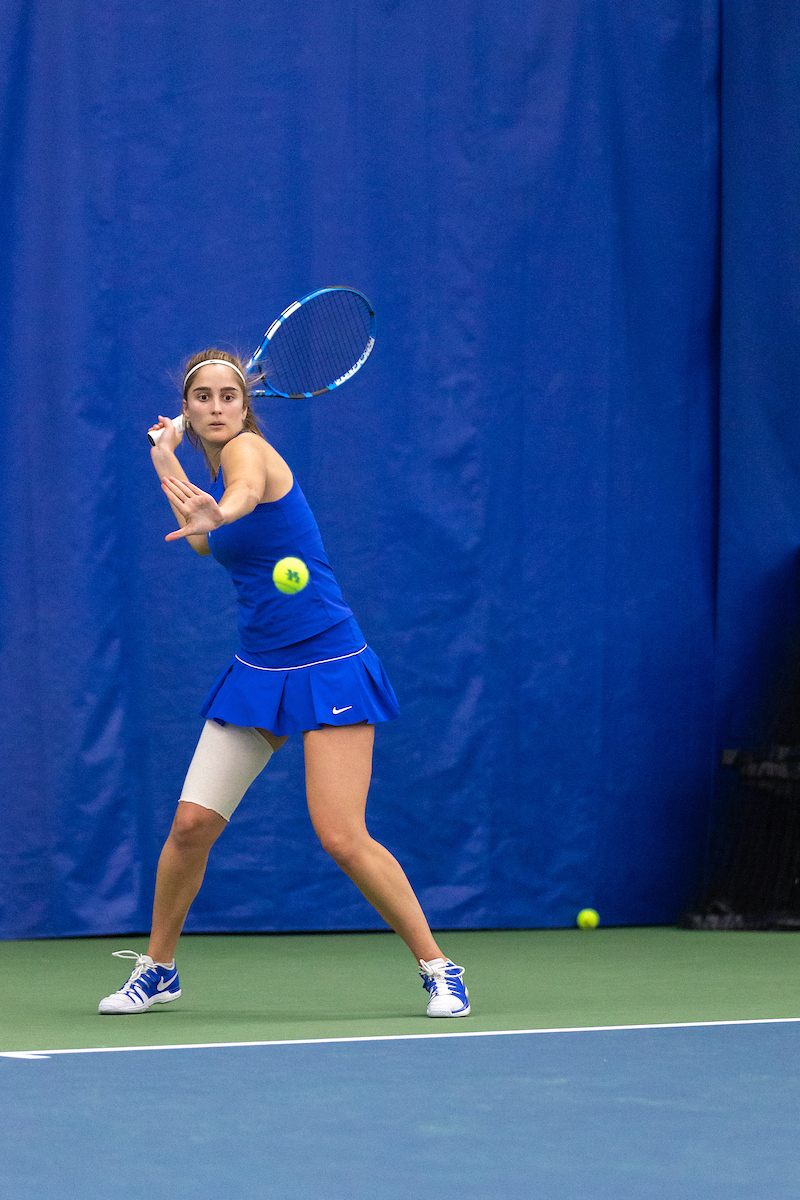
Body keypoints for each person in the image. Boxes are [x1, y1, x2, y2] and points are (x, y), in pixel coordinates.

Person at [98, 350, 469, 1019]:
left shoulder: (249, 454)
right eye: (203, 397)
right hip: (260, 668)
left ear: (246, 406)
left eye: (228, 396)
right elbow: (204, 536)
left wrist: (220, 509)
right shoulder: (211, 472)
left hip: (329, 661)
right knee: (191, 825)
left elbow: (237, 498)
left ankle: (440, 968)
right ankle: (159, 969)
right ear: (187, 410)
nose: (217, 407)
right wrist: (163, 459)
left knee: (342, 836)